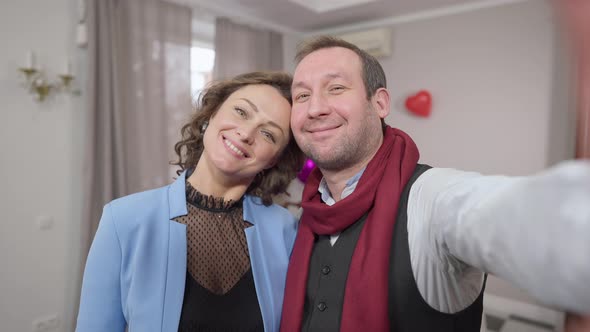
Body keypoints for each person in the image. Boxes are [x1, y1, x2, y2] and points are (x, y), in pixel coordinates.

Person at [279, 36, 590, 332]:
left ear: (380, 103)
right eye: (302, 95)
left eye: (335, 88)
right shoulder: (304, 217)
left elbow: (537, 221)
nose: (315, 107)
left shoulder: (433, 197)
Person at [76, 71, 304, 332]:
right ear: (211, 114)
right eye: (241, 112)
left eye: (268, 134)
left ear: (274, 159)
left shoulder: (286, 230)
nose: (245, 133)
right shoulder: (123, 219)